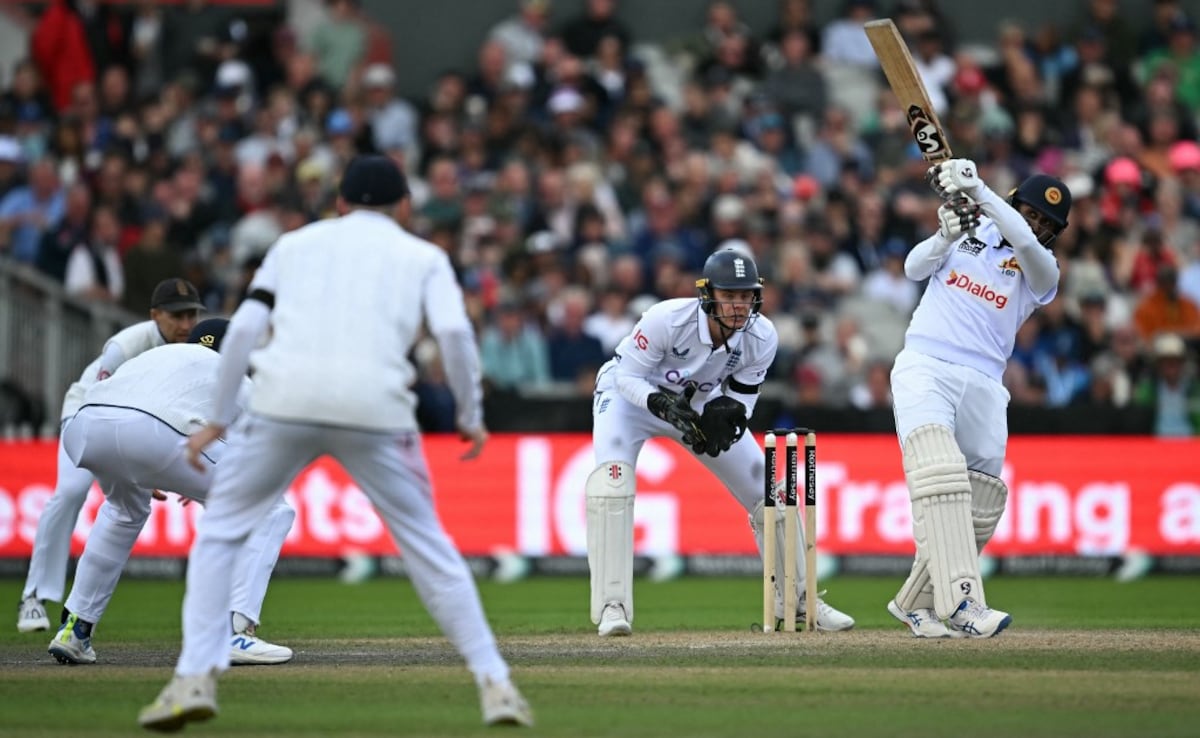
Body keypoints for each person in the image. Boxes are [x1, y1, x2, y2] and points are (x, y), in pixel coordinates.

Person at [138, 156, 532, 731]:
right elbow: (453, 332)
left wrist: (220, 417)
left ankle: (194, 676)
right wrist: (470, 414)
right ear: (404, 207)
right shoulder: (423, 256)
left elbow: (243, 330)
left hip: (282, 402)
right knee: (429, 548)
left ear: (340, 203)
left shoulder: (293, 244)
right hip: (377, 407)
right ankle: (495, 685)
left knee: (221, 532)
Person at [586, 246, 855, 638]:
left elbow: (742, 398)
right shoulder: (666, 318)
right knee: (612, 486)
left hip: (696, 405)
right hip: (631, 401)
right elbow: (627, 376)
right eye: (729, 296)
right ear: (708, 295)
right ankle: (613, 606)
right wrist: (658, 403)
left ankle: (799, 601)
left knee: (771, 491)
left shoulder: (762, 336)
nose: (738, 306)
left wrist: (727, 420)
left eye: (745, 296)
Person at [887, 159, 1072, 638]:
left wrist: (981, 190)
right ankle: (964, 603)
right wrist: (944, 237)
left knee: (982, 499)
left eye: (1047, 224)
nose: (1037, 227)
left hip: (987, 383)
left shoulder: (1042, 270)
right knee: (940, 472)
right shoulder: (969, 228)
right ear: (1016, 205)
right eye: (1030, 214)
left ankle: (914, 602)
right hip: (925, 363)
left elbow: (1027, 243)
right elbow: (912, 269)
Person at [48, 319, 295, 667]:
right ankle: (233, 631)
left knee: (123, 512)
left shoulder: (156, 357)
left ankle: (75, 630)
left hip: (88, 429)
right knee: (270, 508)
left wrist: (178, 470)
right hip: (156, 432)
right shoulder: (229, 369)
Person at [17, 278, 204, 634]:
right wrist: (133, 469)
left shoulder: (195, 346)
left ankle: (77, 621)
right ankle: (33, 596)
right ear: (154, 315)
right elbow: (101, 408)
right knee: (70, 492)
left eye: (192, 315)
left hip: (133, 424)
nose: (185, 325)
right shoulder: (125, 345)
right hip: (85, 415)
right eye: (177, 316)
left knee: (129, 508)